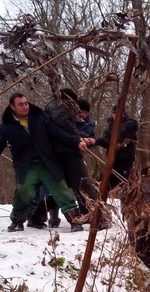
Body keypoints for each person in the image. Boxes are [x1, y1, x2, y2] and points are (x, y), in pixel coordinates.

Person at [0, 92, 88, 232]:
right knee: (24, 191)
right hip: (26, 166)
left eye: (26, 103)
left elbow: (56, 132)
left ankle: (75, 221)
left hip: (46, 163)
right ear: (12, 107)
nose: (25, 106)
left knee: (62, 189)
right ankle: (17, 220)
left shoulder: (39, 117)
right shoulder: (5, 126)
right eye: (21, 104)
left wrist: (76, 141)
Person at [30, 88, 112, 230]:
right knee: (83, 184)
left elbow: (66, 129)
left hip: (59, 152)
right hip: (67, 152)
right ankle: (96, 218)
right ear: (68, 99)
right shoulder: (59, 111)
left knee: (63, 188)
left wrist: (81, 138)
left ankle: (36, 216)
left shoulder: (54, 108)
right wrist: (78, 139)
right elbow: (66, 129)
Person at [95, 104, 138, 189]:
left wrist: (97, 141)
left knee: (125, 186)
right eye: (114, 113)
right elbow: (106, 141)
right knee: (103, 185)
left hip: (124, 161)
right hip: (112, 161)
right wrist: (96, 141)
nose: (116, 115)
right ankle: (99, 201)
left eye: (118, 113)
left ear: (123, 114)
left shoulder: (128, 126)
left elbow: (114, 142)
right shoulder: (111, 125)